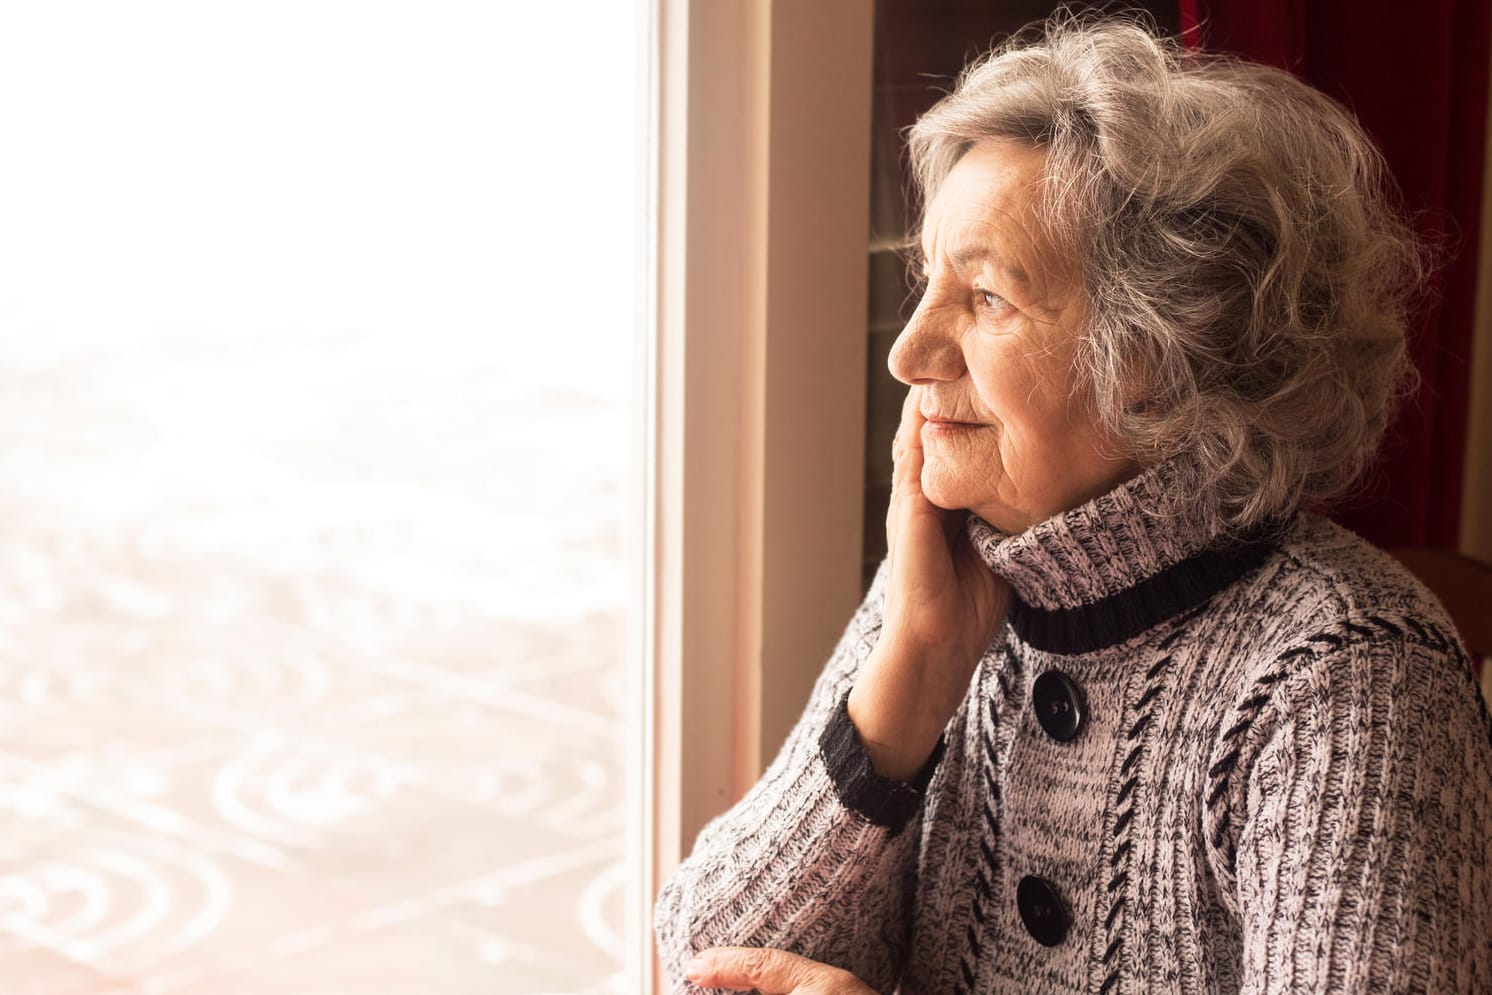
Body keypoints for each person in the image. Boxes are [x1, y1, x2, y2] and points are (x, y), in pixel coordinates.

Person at [654, 14, 1492, 995]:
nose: (909, 353)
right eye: (927, 279)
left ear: (1157, 354)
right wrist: (910, 676)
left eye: (987, 297)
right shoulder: (947, 581)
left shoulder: (1348, 683)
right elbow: (707, 958)